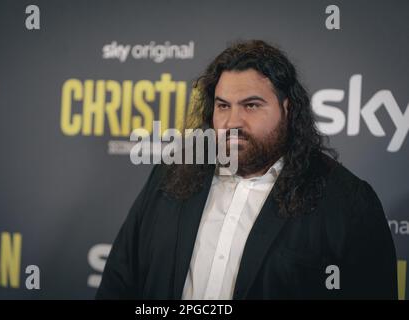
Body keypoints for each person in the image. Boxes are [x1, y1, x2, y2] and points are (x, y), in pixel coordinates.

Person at [96, 40, 397, 299]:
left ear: (288, 109)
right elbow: (119, 280)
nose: (232, 122)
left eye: (251, 105)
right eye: (223, 106)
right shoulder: (172, 173)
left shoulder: (347, 201)